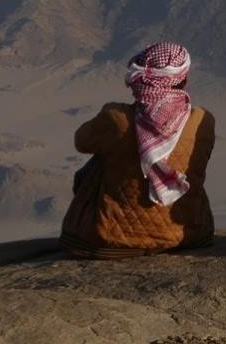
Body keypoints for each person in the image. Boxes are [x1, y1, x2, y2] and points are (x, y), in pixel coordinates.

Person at [60, 41, 216, 259]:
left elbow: (81, 141)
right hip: (189, 236)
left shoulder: (116, 119)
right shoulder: (203, 121)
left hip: (109, 240)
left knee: (98, 162)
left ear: (140, 82)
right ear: (184, 79)